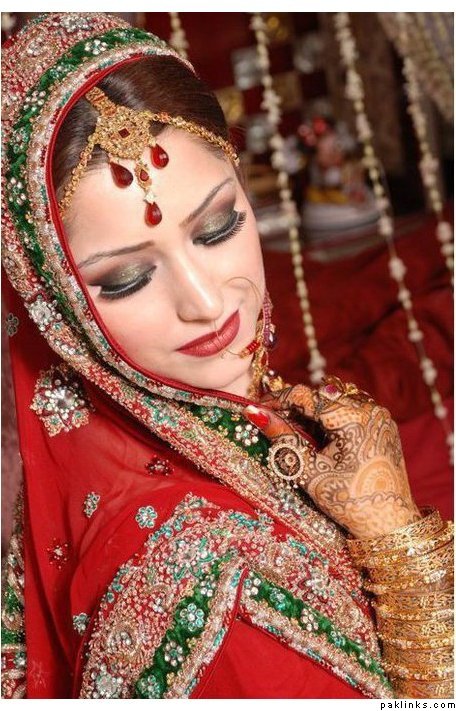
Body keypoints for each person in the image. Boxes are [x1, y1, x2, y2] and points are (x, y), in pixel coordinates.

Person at [1, 12, 453, 700]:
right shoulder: (203, 588)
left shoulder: (222, 424)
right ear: (56, 309)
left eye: (218, 226)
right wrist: (404, 557)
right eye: (126, 278)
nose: (206, 302)